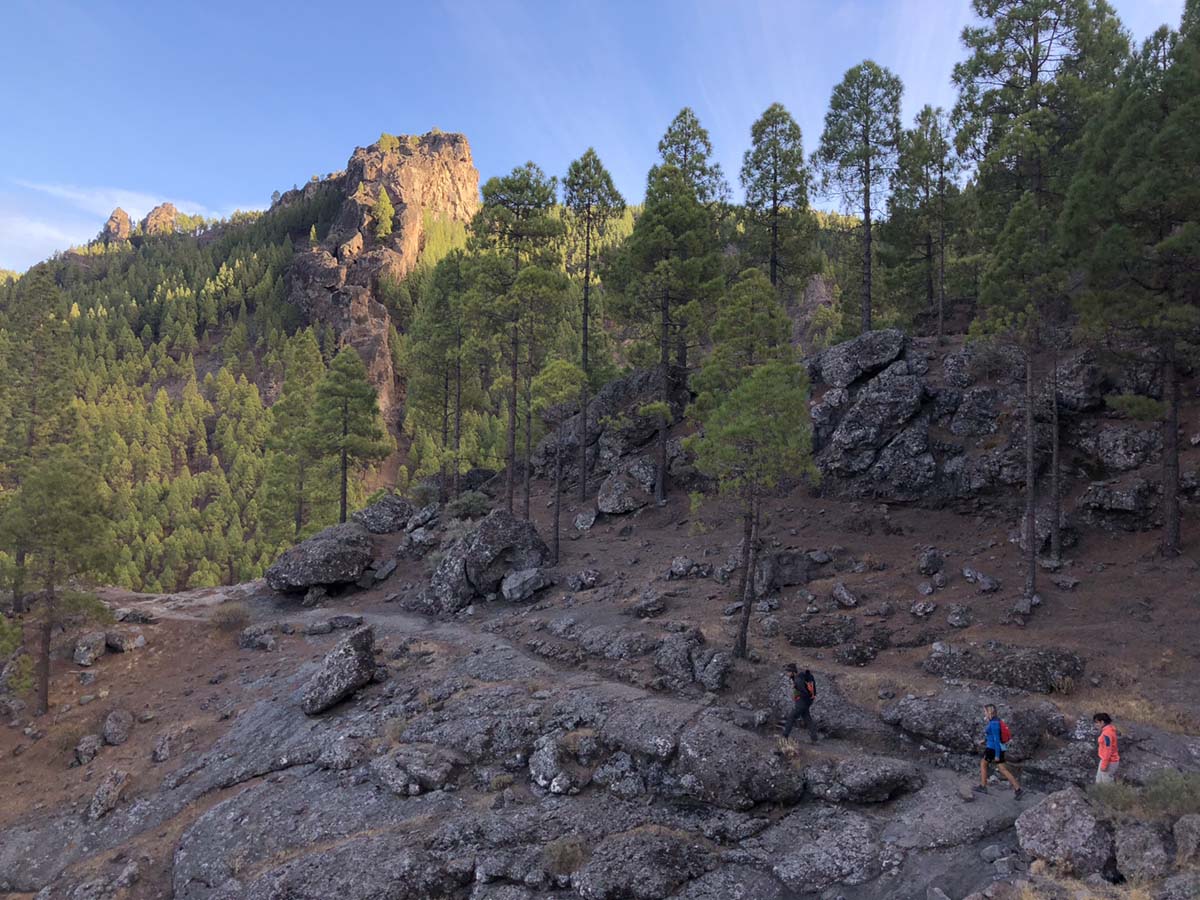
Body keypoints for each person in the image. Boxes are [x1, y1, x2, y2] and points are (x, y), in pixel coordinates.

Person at [975, 703, 1024, 800]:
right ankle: (1018, 789)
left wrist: (997, 755)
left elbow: (996, 740)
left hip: (993, 749)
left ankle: (983, 786)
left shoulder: (994, 724)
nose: (984, 713)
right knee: (1002, 769)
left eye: (985, 711)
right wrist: (984, 740)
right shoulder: (996, 721)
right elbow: (992, 736)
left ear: (989, 712)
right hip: (998, 748)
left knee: (983, 764)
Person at [781, 663, 818, 742]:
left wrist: (798, 696)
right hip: (807, 702)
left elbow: (804, 692)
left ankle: (784, 736)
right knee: (807, 718)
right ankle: (814, 738)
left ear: (793, 672)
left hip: (802, 702)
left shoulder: (798, 680)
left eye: (788, 672)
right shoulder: (798, 678)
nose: (787, 674)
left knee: (791, 717)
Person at [1094, 713, 1120, 783]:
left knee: (1107, 786)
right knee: (1099, 782)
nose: (1095, 725)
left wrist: (1104, 765)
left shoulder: (1107, 733)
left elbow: (1107, 750)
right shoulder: (1107, 731)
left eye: (1097, 722)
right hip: (1105, 760)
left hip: (1110, 762)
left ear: (1102, 722)